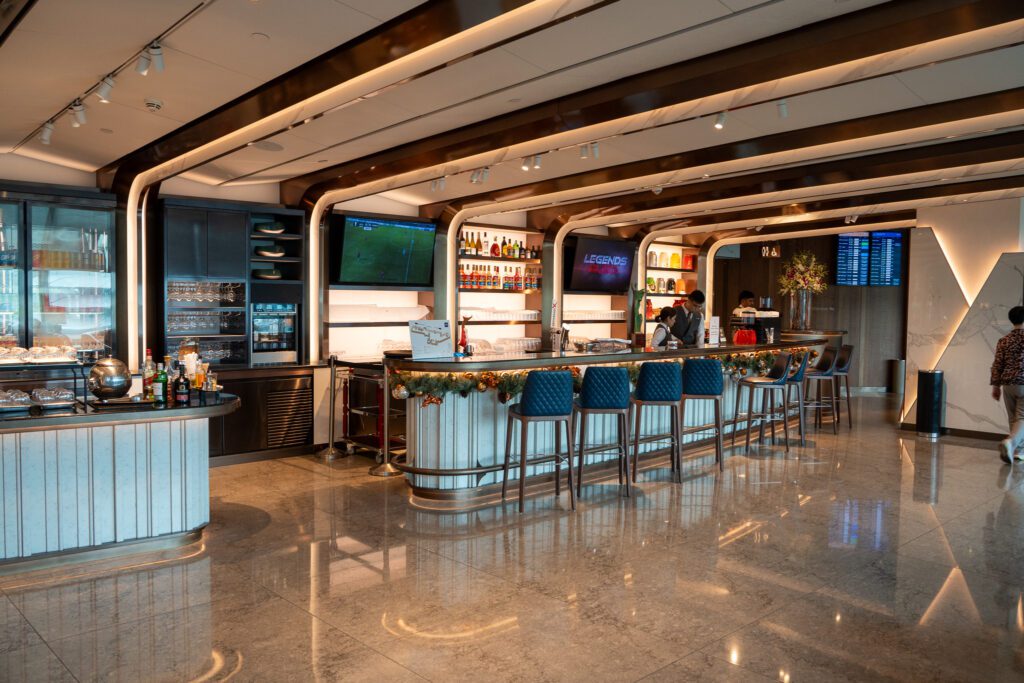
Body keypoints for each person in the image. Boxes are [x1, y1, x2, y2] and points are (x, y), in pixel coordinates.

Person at [991, 305, 1024, 463]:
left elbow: (998, 364)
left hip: (1008, 384)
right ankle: (1011, 444)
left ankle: (1018, 451)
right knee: (1022, 418)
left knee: (1013, 419)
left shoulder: (1004, 341)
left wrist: (996, 386)